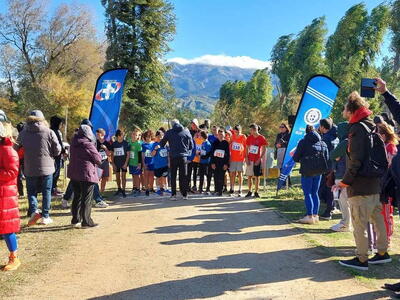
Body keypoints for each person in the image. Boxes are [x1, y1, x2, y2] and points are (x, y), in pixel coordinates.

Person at [334, 91, 390, 271]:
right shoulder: (370, 125)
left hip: (360, 187)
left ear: (350, 110)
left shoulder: (356, 129)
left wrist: (345, 182)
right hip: (374, 184)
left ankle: (362, 259)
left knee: (359, 224)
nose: (343, 110)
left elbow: (356, 161)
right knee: (377, 220)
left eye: (345, 107)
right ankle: (382, 253)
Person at [16, 110, 61, 226]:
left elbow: (15, 148)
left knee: (31, 192)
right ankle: (45, 216)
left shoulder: (23, 133)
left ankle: (35, 211)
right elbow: (57, 150)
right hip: (47, 167)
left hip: (30, 167)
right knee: (46, 192)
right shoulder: (49, 131)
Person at [293, 125, 329, 224]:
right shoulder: (323, 143)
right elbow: (327, 157)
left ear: (306, 132)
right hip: (319, 172)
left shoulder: (303, 142)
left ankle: (309, 216)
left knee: (307, 193)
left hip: (307, 171)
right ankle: (315, 215)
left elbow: (295, 158)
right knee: (315, 193)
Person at [68, 124, 102, 228]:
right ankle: (86, 221)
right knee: (86, 198)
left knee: (77, 197)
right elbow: (98, 159)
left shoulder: (73, 143)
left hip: (74, 173)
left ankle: (75, 219)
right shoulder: (88, 144)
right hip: (86, 174)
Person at [0, 121, 21, 271]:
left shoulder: (8, 150)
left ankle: (14, 257)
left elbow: (13, 172)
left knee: (7, 228)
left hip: (5, 194)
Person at [160, 119, 193, 200]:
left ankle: (173, 195)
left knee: (173, 176)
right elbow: (191, 145)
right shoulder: (186, 131)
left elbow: (162, 144)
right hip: (183, 157)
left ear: (172, 125)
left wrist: (168, 145)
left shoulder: (169, 132)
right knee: (183, 176)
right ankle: (184, 194)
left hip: (173, 156)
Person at [377, 122, 398, 246]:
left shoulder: (390, 147)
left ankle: (387, 239)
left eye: (378, 132)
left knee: (386, 214)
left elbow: (389, 166)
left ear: (383, 135)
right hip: (381, 183)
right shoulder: (385, 146)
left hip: (387, 185)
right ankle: (382, 238)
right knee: (381, 214)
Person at [329, 122, 352, 232]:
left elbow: (333, 155)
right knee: (347, 201)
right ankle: (348, 223)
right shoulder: (353, 141)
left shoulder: (345, 142)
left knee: (344, 201)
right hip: (348, 174)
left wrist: (335, 157)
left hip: (342, 175)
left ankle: (345, 224)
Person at [318, 118, 338, 220]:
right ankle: (332, 207)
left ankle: (328, 211)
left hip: (327, 168)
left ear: (322, 127)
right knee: (331, 189)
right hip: (335, 167)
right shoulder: (336, 137)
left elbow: (323, 155)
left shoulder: (326, 139)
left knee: (327, 189)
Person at [245, 124, 267, 198]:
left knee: (257, 176)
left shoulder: (261, 138)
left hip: (257, 159)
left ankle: (256, 192)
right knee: (249, 176)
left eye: (251, 130)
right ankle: (249, 191)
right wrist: (246, 158)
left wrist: (259, 158)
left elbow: (264, 149)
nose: (250, 132)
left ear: (255, 130)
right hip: (250, 159)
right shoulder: (249, 138)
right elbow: (246, 148)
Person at [210, 128, 230, 196]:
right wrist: (212, 163)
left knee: (221, 176)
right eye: (219, 134)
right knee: (216, 176)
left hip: (223, 163)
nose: (220, 135)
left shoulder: (226, 143)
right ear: (217, 135)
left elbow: (227, 154)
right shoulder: (214, 143)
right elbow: (212, 153)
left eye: (222, 134)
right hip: (215, 162)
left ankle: (220, 191)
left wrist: (226, 164)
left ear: (224, 135)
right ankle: (216, 190)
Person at [111, 129, 130, 198]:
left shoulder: (126, 143)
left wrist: (126, 164)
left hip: (123, 163)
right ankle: (119, 189)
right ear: (118, 136)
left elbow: (128, 154)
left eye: (123, 135)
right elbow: (112, 154)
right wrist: (113, 164)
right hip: (116, 163)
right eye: (121, 135)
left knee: (123, 176)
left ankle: (124, 190)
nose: (123, 136)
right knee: (117, 177)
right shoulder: (114, 144)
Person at [229, 125, 247, 197]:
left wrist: (245, 157)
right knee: (232, 174)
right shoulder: (232, 136)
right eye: (235, 131)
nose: (236, 133)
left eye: (238, 131)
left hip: (240, 158)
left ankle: (240, 188)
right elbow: (230, 144)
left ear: (240, 130)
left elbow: (246, 147)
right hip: (233, 158)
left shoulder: (243, 137)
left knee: (240, 174)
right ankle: (232, 188)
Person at [50, 116, 65, 196]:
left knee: (55, 172)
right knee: (55, 172)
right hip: (56, 154)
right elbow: (59, 143)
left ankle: (54, 188)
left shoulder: (50, 131)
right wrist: (63, 150)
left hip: (52, 154)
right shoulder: (55, 132)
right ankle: (52, 189)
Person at [151, 130, 169, 196]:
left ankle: (166, 188)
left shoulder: (165, 145)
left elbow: (168, 154)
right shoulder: (154, 144)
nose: (160, 138)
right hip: (157, 165)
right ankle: (158, 189)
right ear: (156, 137)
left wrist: (169, 162)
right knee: (158, 177)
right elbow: (152, 154)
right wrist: (155, 149)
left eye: (162, 137)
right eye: (159, 137)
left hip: (165, 164)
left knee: (165, 177)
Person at [128, 129, 143, 196]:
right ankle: (134, 187)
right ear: (131, 135)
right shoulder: (129, 143)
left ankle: (138, 189)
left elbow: (140, 154)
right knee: (133, 176)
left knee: (137, 176)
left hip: (136, 163)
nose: (134, 136)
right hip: (131, 163)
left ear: (138, 136)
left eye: (136, 135)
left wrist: (139, 164)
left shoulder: (138, 144)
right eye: (133, 134)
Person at [205, 125, 219, 194]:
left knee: (216, 174)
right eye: (213, 130)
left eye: (215, 129)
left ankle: (216, 189)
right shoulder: (210, 137)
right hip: (210, 158)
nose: (214, 131)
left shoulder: (219, 137)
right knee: (209, 174)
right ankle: (208, 188)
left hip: (217, 158)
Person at [142, 130, 155, 196]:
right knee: (146, 176)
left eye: (149, 136)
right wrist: (143, 163)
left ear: (151, 137)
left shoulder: (153, 144)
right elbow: (143, 154)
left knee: (152, 176)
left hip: (152, 162)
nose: (148, 138)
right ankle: (146, 189)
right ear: (145, 137)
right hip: (146, 162)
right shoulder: (143, 145)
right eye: (146, 137)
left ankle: (151, 188)